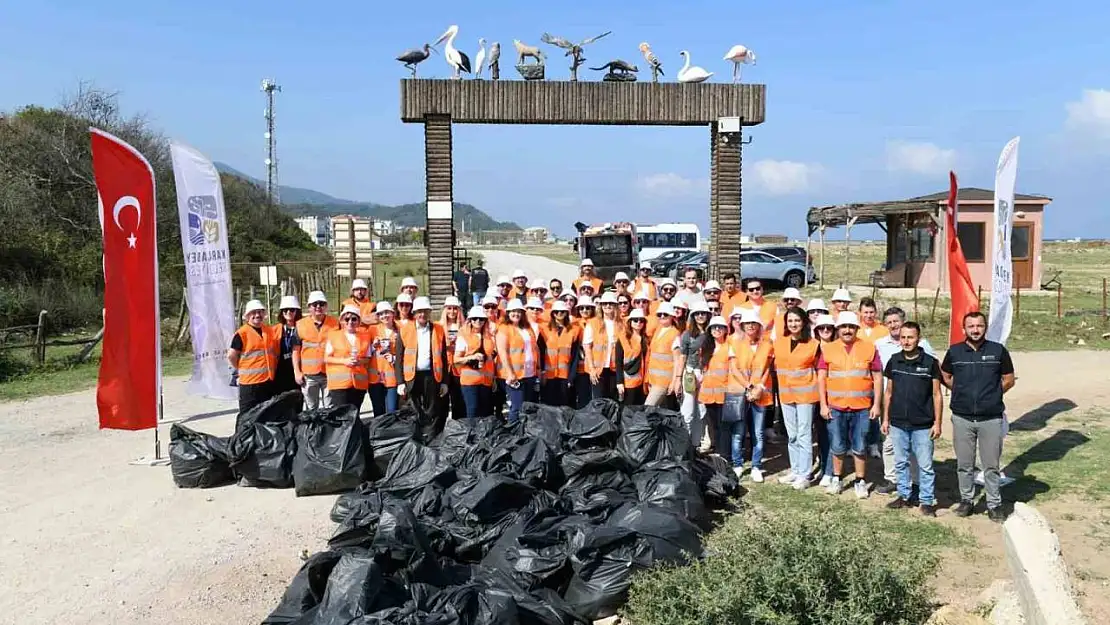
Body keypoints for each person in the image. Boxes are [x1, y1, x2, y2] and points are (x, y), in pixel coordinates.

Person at [941, 311, 1016, 522]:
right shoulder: (955, 352)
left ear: (985, 328)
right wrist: (960, 392)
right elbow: (945, 375)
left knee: (991, 465)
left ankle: (994, 504)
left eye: (979, 326)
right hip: (962, 418)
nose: (975, 330)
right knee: (964, 464)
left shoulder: (998, 351)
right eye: (971, 326)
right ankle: (967, 500)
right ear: (964, 329)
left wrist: (992, 395)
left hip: (990, 418)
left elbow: (1009, 379)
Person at [817, 311, 883, 498]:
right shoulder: (828, 349)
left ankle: (860, 481)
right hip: (835, 407)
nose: (847, 330)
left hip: (861, 407)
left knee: (860, 445)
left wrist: (876, 404)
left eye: (850, 327)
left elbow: (877, 378)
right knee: (837, 445)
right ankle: (837, 478)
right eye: (843, 327)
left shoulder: (869, 348)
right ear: (838, 329)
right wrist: (823, 404)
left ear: (856, 328)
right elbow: (821, 377)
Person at [873, 306, 936, 495]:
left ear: (903, 323)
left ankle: (916, 482)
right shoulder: (879, 344)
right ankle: (892, 479)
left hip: (917, 404)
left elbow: (934, 373)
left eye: (896, 321)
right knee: (890, 444)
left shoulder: (923, 345)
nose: (893, 325)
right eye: (889, 322)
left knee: (916, 448)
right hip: (890, 400)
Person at [882, 321, 942, 516]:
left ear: (919, 339)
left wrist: (937, 423)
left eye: (910, 337)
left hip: (923, 425)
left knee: (925, 466)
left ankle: (926, 501)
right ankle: (904, 496)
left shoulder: (930, 363)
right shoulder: (894, 360)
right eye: (903, 337)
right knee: (900, 462)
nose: (906, 341)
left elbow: (936, 395)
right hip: (898, 422)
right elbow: (888, 392)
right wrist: (885, 419)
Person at [723, 309, 773, 481]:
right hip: (740, 393)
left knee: (758, 432)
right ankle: (737, 464)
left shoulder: (767, 345)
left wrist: (758, 387)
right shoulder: (734, 344)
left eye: (754, 324)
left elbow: (767, 369)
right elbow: (734, 369)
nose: (751, 326)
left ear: (759, 326)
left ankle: (756, 466)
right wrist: (749, 386)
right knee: (738, 432)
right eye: (747, 324)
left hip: (760, 393)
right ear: (742, 326)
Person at [774, 307, 820, 490]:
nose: (793, 324)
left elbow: (819, 370)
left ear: (804, 322)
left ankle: (805, 474)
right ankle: (795, 469)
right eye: (790, 320)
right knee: (792, 435)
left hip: (806, 396)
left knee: (804, 434)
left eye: (797, 320)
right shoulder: (779, 343)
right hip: (786, 394)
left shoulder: (813, 344)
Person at [395, 296, 449, 442]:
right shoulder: (405, 330)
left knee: (432, 410)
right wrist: (400, 382)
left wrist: (444, 381)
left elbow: (444, 357)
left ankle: (431, 441)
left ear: (429, 312)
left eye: (425, 311)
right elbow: (398, 359)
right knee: (413, 409)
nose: (422, 315)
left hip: (432, 376)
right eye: (419, 312)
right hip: (412, 377)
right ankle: (415, 439)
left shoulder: (438, 330)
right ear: (414, 313)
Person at [227, 299, 279, 419]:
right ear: (247, 316)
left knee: (265, 416)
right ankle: (242, 438)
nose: (257, 315)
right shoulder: (242, 334)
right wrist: (239, 368)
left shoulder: (269, 331)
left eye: (260, 312)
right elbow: (231, 355)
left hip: (267, 382)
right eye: (253, 312)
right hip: (249, 384)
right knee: (247, 417)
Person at [496, 300, 541, 423]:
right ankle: (513, 436)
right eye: (513, 311)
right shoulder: (504, 328)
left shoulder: (527, 328)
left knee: (529, 408)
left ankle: (525, 435)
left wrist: (538, 369)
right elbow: (502, 352)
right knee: (516, 408)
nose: (516, 314)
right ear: (508, 313)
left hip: (530, 374)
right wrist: (510, 373)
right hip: (515, 376)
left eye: (519, 311)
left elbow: (535, 349)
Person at [296, 291, 340, 410]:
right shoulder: (300, 325)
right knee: (311, 408)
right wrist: (297, 372)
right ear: (309, 307)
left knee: (330, 408)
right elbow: (296, 350)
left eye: (321, 304)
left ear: (326, 306)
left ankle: (327, 429)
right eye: (314, 304)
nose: (318, 307)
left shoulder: (335, 323)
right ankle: (313, 429)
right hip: (309, 375)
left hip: (329, 373)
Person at [324, 305, 373, 411]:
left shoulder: (365, 337)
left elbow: (368, 358)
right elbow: (327, 358)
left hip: (359, 384)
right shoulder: (333, 336)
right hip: (339, 385)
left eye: (354, 319)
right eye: (347, 319)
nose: (350, 322)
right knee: (342, 417)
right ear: (342, 321)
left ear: (359, 321)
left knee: (355, 414)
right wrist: (344, 361)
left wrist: (359, 361)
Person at [453, 305, 495, 421]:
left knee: (486, 412)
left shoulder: (489, 337)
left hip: (486, 381)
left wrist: (493, 379)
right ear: (470, 320)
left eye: (481, 319)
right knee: (473, 411)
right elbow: (456, 359)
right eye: (474, 319)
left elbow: (491, 359)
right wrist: (471, 357)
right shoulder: (464, 336)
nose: (478, 322)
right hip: (470, 382)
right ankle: (472, 437)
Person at [697, 315, 731, 454]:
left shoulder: (729, 347)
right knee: (713, 425)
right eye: (714, 327)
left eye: (720, 327)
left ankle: (725, 453)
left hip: (724, 393)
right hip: (708, 393)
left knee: (724, 426)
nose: (717, 330)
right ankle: (717, 450)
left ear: (725, 330)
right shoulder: (705, 348)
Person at [812, 313, 838, 486]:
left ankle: (830, 470)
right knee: (820, 435)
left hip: (833, 396)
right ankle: (822, 466)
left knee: (832, 435)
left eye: (829, 328)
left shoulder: (838, 347)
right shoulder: (812, 348)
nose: (826, 331)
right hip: (812, 396)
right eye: (822, 328)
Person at [540, 301, 580, 406]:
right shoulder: (545, 330)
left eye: (562, 311)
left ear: (566, 313)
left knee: (564, 405)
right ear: (553, 314)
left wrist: (571, 377)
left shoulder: (573, 331)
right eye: (556, 312)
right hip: (548, 376)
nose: (559, 314)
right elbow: (540, 352)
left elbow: (575, 356)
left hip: (564, 376)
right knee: (548, 405)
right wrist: (542, 372)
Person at [585, 292, 622, 400]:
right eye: (605, 304)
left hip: (613, 369)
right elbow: (587, 347)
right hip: (598, 370)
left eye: (610, 303)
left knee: (612, 401)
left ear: (615, 305)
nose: (607, 306)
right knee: (599, 401)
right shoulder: (593, 323)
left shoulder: (621, 324)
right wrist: (592, 369)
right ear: (601, 306)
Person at [368, 301, 401, 416]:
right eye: (381, 314)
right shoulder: (373, 330)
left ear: (392, 313)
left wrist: (394, 358)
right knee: (378, 411)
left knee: (392, 410)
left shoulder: (400, 329)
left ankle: (391, 433)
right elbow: (366, 353)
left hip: (392, 377)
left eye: (387, 312)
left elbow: (407, 353)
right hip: (375, 378)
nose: (384, 316)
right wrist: (373, 346)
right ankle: (379, 433)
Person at [644, 302, 680, 407]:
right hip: (653, 379)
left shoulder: (674, 334)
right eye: (659, 314)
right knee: (659, 412)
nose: (662, 316)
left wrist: (673, 382)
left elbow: (677, 361)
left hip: (663, 381)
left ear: (672, 316)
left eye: (665, 314)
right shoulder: (658, 330)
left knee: (648, 407)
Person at [273, 296, 305, 410]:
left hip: (299, 371)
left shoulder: (303, 327)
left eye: (292, 310)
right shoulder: (275, 330)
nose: (288, 313)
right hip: (281, 372)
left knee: (297, 401)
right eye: (285, 310)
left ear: (297, 311)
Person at [616, 308, 649, 405]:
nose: (638, 322)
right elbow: (618, 362)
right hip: (628, 383)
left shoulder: (646, 339)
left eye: (641, 320)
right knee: (628, 411)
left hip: (642, 383)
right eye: (635, 320)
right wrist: (619, 382)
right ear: (630, 322)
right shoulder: (623, 339)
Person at [440, 296, 465, 421]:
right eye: (449, 308)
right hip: (444, 366)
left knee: (458, 398)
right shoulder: (439, 326)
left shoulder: (464, 326)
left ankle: (458, 424)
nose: (452, 311)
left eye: (455, 309)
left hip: (458, 368)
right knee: (442, 399)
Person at [572, 296, 598, 408]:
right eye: (582, 308)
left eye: (587, 308)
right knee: (582, 396)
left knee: (595, 397)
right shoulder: (574, 324)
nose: (584, 310)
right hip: (580, 367)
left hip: (595, 366)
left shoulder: (598, 323)